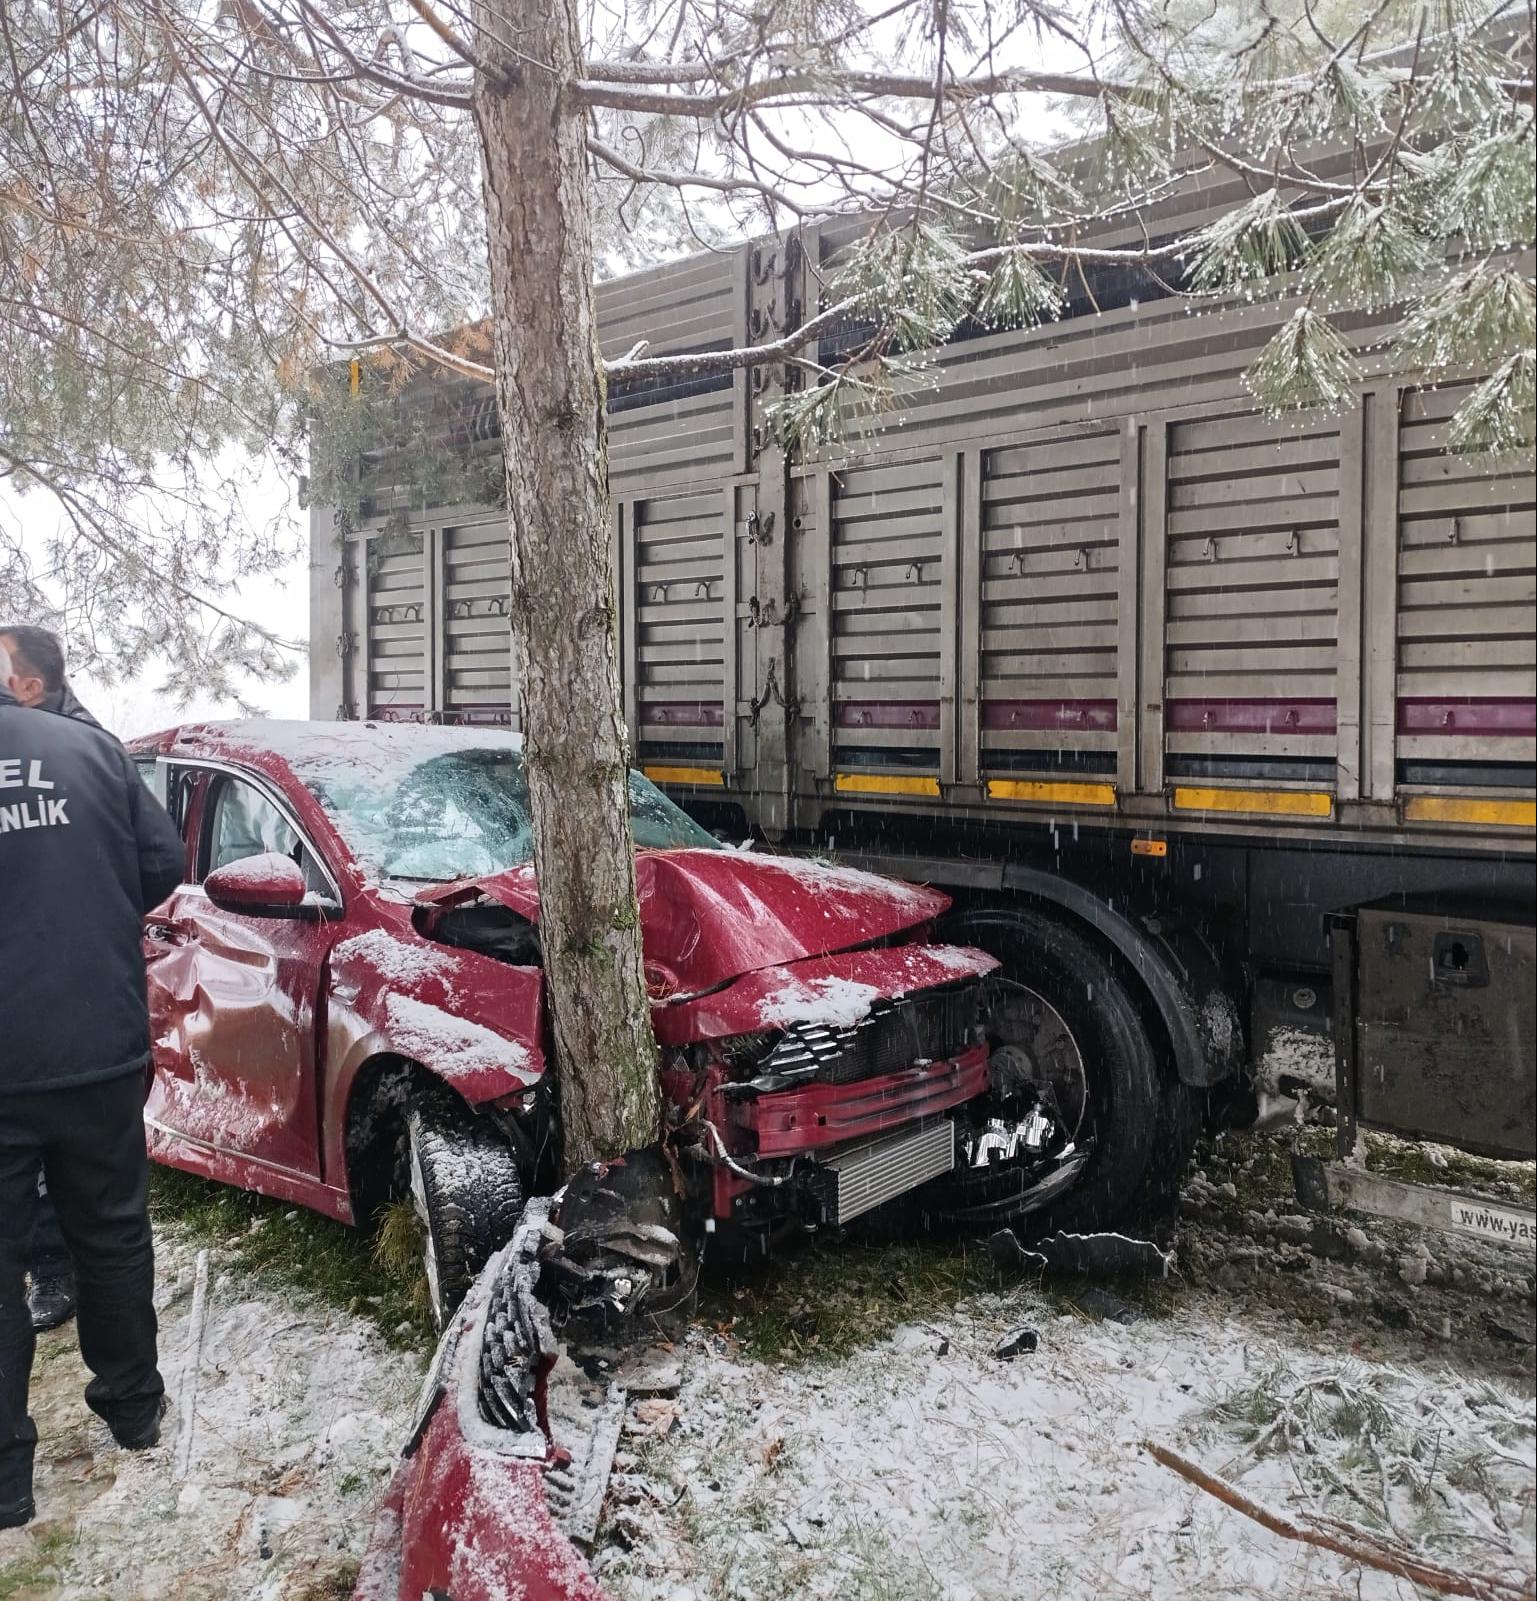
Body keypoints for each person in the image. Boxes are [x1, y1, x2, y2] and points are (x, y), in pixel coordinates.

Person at [0, 637, 185, 1530]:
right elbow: (163, 865)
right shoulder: (90, 748)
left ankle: (6, 1483)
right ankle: (134, 1409)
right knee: (110, 1234)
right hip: (96, 1038)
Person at [0, 626, 107, 1333]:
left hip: (71, 987)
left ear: (31, 686)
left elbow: (153, 859)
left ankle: (58, 1268)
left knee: (62, 1158)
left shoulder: (81, 748)